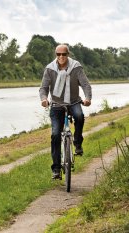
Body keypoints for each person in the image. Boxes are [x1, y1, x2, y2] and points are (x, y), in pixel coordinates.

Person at [39, 44, 92, 180]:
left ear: (68, 55)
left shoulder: (76, 67)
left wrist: (87, 98)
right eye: (58, 54)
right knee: (55, 134)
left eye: (64, 54)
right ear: (56, 55)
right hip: (56, 104)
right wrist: (44, 99)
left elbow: (85, 84)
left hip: (74, 102)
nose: (61, 57)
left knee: (79, 116)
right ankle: (56, 169)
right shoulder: (50, 69)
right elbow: (43, 88)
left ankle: (77, 142)